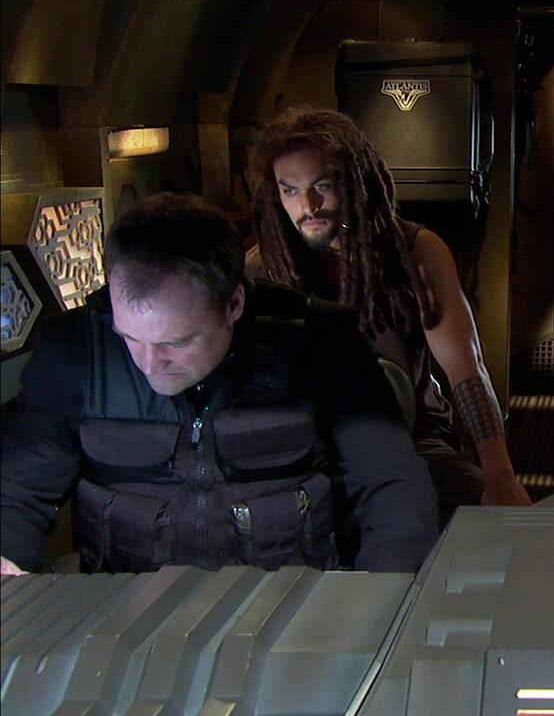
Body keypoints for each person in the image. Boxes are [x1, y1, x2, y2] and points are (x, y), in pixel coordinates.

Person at [0, 194, 438, 576]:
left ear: (233, 305)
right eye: (129, 337)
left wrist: (387, 593)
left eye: (176, 342)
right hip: (124, 608)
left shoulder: (320, 342)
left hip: (290, 603)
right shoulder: (74, 352)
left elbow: (390, 481)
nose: (149, 363)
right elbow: (17, 490)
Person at [246, 107, 531, 518]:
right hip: (310, 446)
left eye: (322, 186)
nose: (307, 206)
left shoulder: (415, 252)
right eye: (290, 191)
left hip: (410, 438)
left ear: (353, 183)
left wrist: (500, 476)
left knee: (490, 524)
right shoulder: (264, 268)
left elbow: (466, 370)